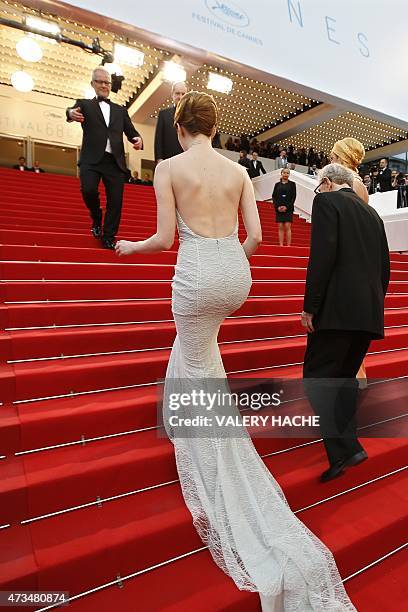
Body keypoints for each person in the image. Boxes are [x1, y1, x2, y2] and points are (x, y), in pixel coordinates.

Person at [116, 91, 355, 612]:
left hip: (198, 276)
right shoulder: (239, 172)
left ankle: (206, 439)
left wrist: (130, 248)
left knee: (195, 352)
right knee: (201, 352)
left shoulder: (170, 167)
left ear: (181, 129)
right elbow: (258, 236)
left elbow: (161, 239)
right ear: (215, 129)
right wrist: (228, 261)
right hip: (235, 276)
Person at [302, 164, 390, 482]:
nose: (318, 193)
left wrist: (310, 307)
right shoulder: (372, 215)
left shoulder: (327, 202)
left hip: (335, 313)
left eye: (317, 187)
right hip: (366, 314)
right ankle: (346, 449)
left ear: (326, 183)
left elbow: (322, 256)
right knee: (343, 380)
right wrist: (372, 307)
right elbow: (385, 268)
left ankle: (345, 447)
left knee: (317, 378)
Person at [66, 66, 143, 249]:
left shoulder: (120, 110)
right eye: (99, 81)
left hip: (114, 162)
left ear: (110, 84)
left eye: (106, 82)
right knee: (88, 191)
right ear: (92, 84)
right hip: (91, 159)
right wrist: (70, 114)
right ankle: (96, 216)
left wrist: (138, 138)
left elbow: (131, 131)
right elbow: (70, 111)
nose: (103, 85)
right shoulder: (85, 104)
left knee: (115, 201)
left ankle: (109, 236)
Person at [329, 138, 369, 385]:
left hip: (346, 264)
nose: (329, 160)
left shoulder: (344, 184)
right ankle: (359, 376)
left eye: (333, 156)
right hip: (361, 264)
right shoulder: (361, 185)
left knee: (343, 329)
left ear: (341, 157)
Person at [154, 81, 187, 163]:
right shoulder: (163, 114)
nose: (180, 96)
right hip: (167, 160)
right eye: (177, 93)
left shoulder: (192, 116)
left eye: (183, 94)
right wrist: (159, 159)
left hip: (186, 161)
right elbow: (158, 139)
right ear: (172, 94)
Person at [272, 168, 296, 246]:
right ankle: (281, 245)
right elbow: (274, 196)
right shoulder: (277, 185)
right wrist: (277, 207)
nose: (286, 174)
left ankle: (288, 246)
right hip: (279, 209)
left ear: (289, 174)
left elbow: (293, 197)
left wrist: (287, 207)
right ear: (281, 173)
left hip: (288, 209)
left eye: (287, 173)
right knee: (280, 227)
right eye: (284, 173)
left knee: (287, 226)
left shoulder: (292, 184)